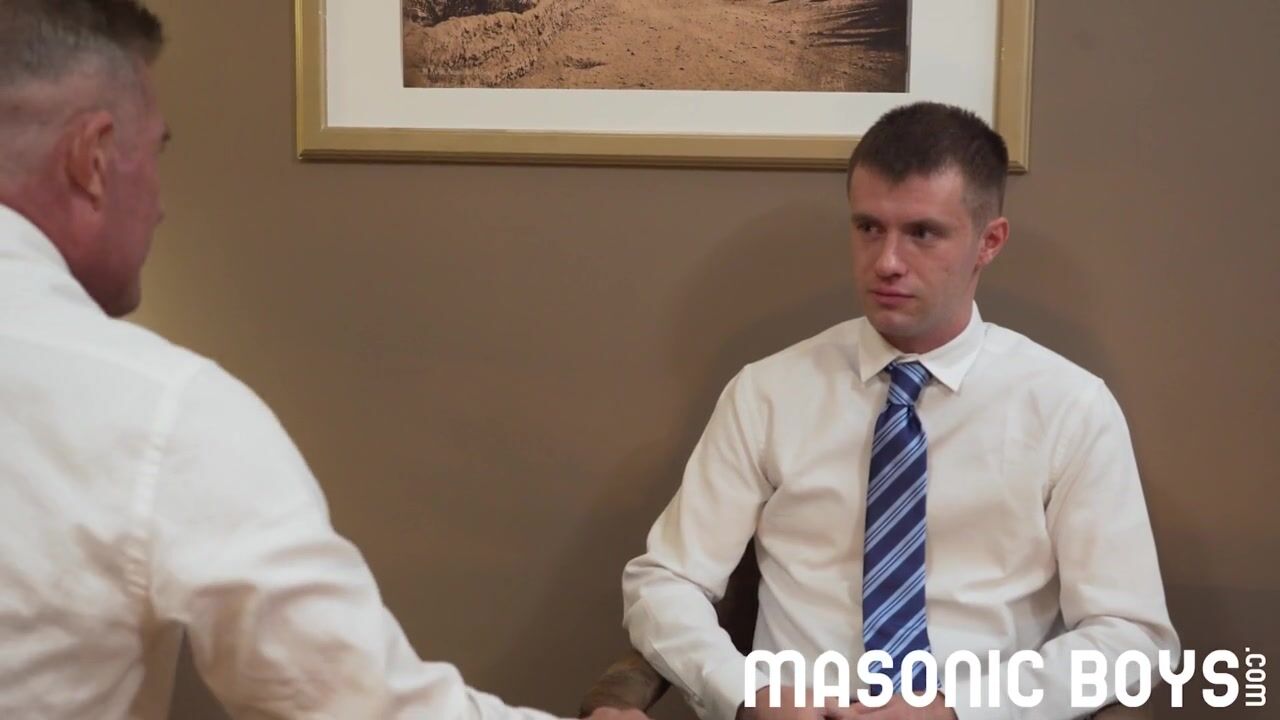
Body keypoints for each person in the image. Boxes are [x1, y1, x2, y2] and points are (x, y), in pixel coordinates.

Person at [0, 2, 646, 719]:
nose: (158, 205)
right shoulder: (158, 411)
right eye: (156, 153)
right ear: (92, 159)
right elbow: (356, 706)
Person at [620, 102, 1179, 720]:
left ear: (989, 242)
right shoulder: (768, 393)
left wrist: (955, 710)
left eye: (922, 233)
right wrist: (747, 692)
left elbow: (1131, 635)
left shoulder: (1068, 408)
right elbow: (666, 580)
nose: (887, 261)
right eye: (868, 228)